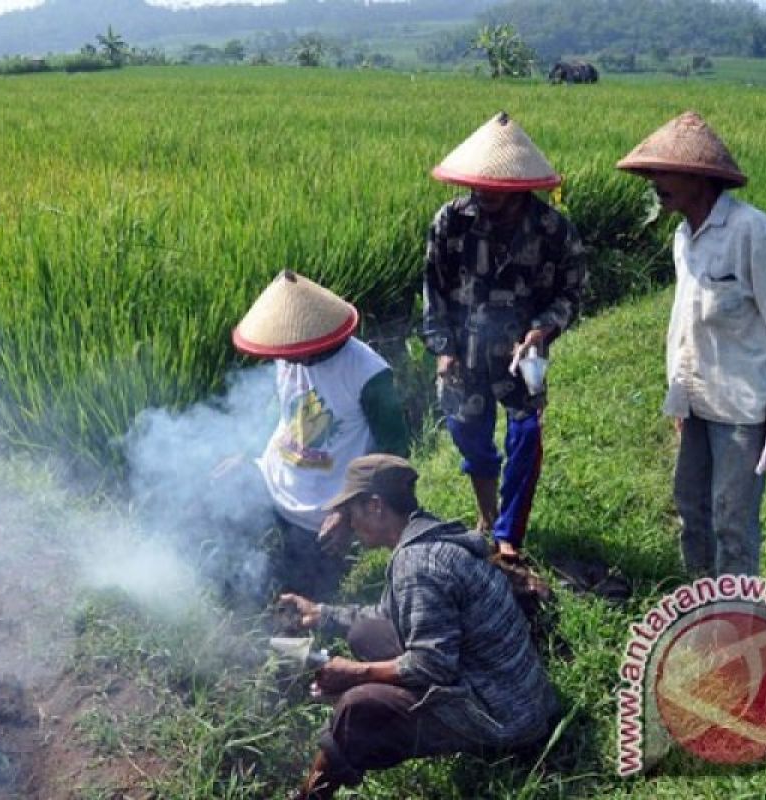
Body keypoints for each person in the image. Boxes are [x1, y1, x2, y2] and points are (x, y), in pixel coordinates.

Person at [278, 454, 559, 799]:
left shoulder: (418, 565)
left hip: (504, 716)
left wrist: (356, 673)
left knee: (357, 709)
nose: (348, 522)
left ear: (376, 506)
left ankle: (308, 796)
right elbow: (387, 614)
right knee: (366, 632)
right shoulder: (425, 536)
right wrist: (321, 613)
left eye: (351, 511)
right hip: (511, 692)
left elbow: (432, 665)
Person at [617, 111, 766, 577]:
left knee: (732, 522)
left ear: (701, 179)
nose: (656, 182)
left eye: (667, 172)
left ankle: (738, 623)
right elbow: (690, 319)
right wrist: (682, 397)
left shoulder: (753, 231)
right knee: (691, 508)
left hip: (745, 407)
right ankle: (703, 605)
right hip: (698, 400)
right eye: (653, 173)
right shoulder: (684, 236)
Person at [422, 112, 585, 558]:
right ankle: (487, 513)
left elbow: (572, 292)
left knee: (526, 436)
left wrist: (542, 329)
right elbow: (433, 288)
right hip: (464, 352)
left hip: (522, 354)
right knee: (467, 432)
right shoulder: (451, 221)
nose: (485, 195)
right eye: (480, 186)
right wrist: (443, 349)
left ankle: (509, 535)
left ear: (520, 187)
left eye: (496, 190)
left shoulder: (554, 230)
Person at [232, 270, 409, 601]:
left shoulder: (368, 374)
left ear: (309, 342)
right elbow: (283, 411)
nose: (280, 355)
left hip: (323, 512)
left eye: (286, 348)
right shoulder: (290, 354)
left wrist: (347, 511)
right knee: (212, 510)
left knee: (307, 600)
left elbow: (394, 453)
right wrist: (246, 455)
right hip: (275, 482)